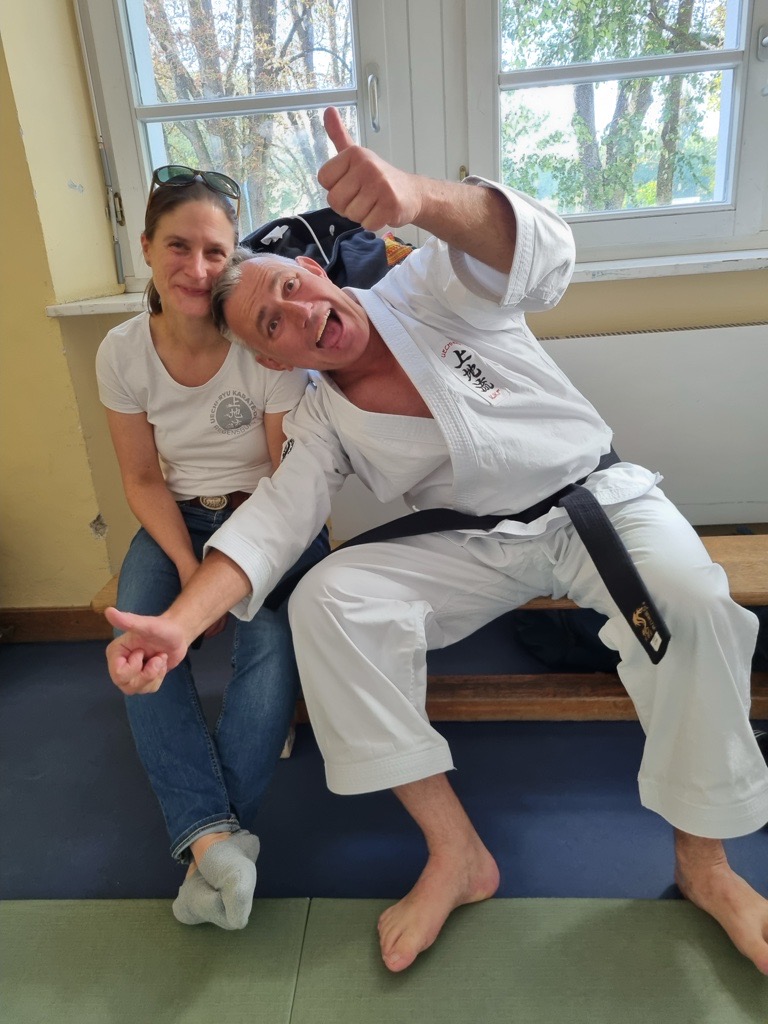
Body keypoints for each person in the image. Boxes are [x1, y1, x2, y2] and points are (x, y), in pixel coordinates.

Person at [104, 109, 768, 973]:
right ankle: (457, 854)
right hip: (479, 544)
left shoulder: (429, 287)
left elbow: (546, 254)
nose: (300, 314)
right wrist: (178, 626)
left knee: (692, 603)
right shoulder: (321, 419)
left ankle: (706, 867)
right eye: (272, 325)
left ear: (314, 269)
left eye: (293, 287)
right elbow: (272, 522)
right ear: (274, 362)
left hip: (597, 502)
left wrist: (415, 198)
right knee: (325, 599)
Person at [96, 165, 328, 930]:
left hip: (271, 516)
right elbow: (141, 478)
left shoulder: (261, 341)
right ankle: (219, 844)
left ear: (234, 258)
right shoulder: (121, 352)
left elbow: (287, 479)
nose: (197, 269)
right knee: (140, 635)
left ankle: (207, 845)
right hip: (179, 521)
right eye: (179, 246)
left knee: (269, 643)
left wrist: (223, 581)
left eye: (215, 252)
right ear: (145, 247)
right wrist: (192, 571)